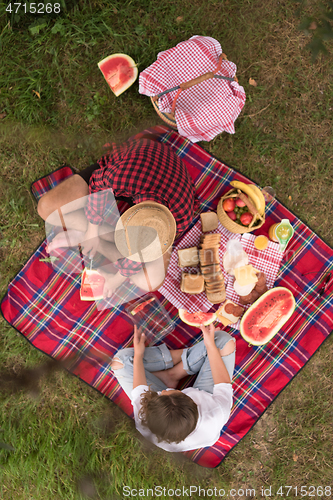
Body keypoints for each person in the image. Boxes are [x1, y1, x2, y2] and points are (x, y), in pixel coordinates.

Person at [37, 136, 196, 295]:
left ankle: (90, 238)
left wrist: (116, 279)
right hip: (134, 164)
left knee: (150, 281)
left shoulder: (179, 220)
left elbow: (139, 256)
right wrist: (92, 228)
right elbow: (98, 185)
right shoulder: (120, 177)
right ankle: (97, 236)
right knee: (47, 210)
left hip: (164, 192)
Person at [111, 323, 235, 452]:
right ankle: (182, 365)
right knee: (223, 340)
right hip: (206, 395)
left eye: (162, 393)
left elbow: (139, 389)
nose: (164, 390)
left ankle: (172, 375)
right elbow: (223, 383)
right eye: (171, 392)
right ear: (193, 402)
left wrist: (138, 355)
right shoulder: (215, 412)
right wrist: (209, 346)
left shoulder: (146, 419)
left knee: (120, 362)